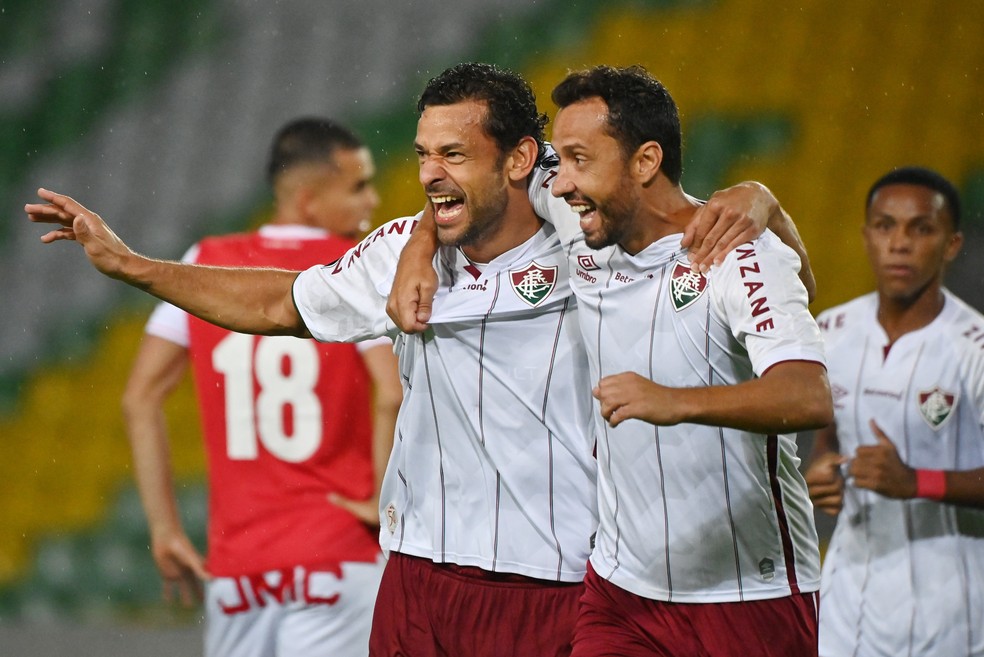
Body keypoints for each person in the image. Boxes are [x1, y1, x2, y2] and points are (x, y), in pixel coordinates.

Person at [30, 63, 799, 657]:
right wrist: (135, 266)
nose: (430, 171)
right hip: (415, 578)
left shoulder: (586, 236)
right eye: (425, 153)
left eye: (455, 154)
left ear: (521, 160)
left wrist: (760, 193)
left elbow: (680, 216)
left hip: (548, 585)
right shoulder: (402, 247)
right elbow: (278, 302)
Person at [390, 65, 830, 657]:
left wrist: (675, 403)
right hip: (620, 593)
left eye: (577, 160)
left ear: (645, 162)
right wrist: (421, 245)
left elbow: (807, 395)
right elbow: (467, 176)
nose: (560, 182)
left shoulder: (736, 252)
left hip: (750, 592)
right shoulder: (586, 227)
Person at [120, 117, 403, 657]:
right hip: (334, 551)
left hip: (240, 567)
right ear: (308, 199)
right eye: (358, 186)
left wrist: (165, 527)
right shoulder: (349, 268)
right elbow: (391, 391)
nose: (373, 199)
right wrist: (379, 498)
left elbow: (141, 396)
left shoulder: (204, 262)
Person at [804, 167, 984, 657]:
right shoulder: (831, 330)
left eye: (920, 228)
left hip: (950, 617)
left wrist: (916, 482)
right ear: (866, 237)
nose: (899, 243)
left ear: (951, 244)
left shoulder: (975, 348)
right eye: (886, 226)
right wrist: (821, 471)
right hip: (846, 605)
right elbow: (828, 442)